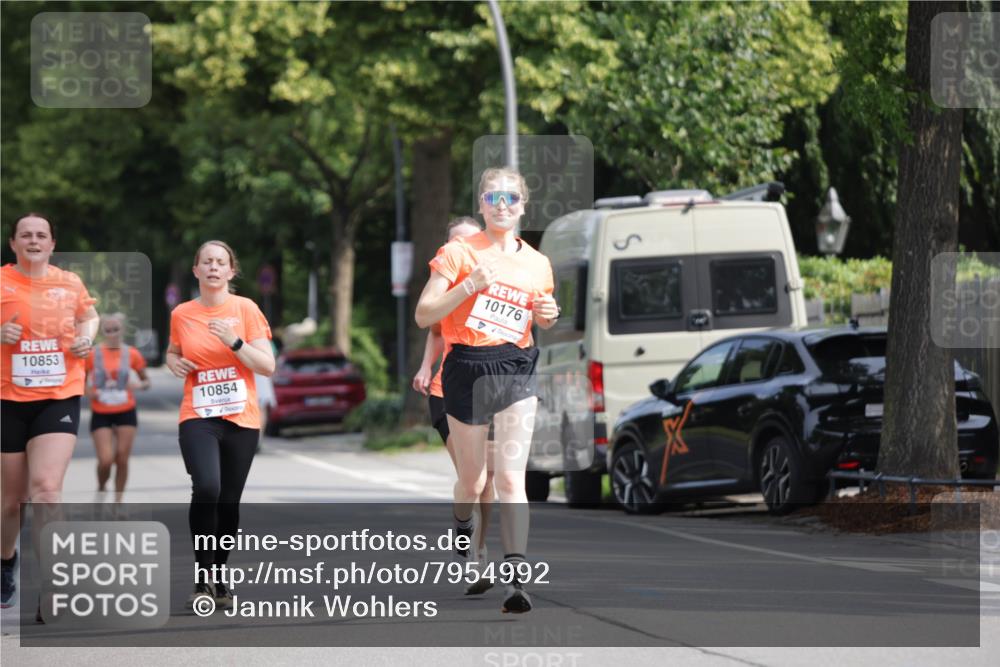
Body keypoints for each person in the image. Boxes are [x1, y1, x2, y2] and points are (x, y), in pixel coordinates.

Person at [415, 168, 559, 613]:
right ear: (481, 204)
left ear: (523, 206)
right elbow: (424, 314)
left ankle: (516, 579)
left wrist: (548, 314)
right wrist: (469, 285)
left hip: (516, 366)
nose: (502, 205)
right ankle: (462, 522)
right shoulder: (458, 253)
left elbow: (541, 316)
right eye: (493, 197)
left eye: (511, 197)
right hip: (466, 367)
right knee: (474, 480)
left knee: (511, 478)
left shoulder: (538, 263)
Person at [165, 240, 274, 610]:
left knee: (228, 501)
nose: (213, 267)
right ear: (196, 270)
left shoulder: (246, 309)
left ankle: (219, 574)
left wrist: (234, 341)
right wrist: (172, 362)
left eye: (220, 262)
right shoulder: (182, 313)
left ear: (231, 271)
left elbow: (267, 365)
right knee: (207, 487)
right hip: (198, 415)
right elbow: (173, 351)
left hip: (241, 418)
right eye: (206, 262)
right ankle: (202, 578)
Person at [1, 213, 99, 610]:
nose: (34, 240)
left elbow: (89, 317)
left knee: (45, 489)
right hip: (7, 398)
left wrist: (86, 339)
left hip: (59, 394)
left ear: (52, 244)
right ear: (13, 243)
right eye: (26, 235)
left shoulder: (69, 282)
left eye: (41, 235)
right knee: (12, 501)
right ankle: (5, 560)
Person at [412, 216, 497, 595]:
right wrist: (424, 367)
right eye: (454, 243)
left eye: (469, 241)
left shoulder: (499, 285)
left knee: (489, 479)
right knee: (472, 475)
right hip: (447, 391)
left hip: (490, 391)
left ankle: (480, 548)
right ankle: (469, 545)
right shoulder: (448, 286)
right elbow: (433, 330)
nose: (462, 249)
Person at [85, 312, 151, 500]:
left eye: (116, 329)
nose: (112, 333)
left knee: (122, 458)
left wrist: (139, 385)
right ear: (102, 332)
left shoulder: (132, 353)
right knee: (106, 459)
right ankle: (101, 486)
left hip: (126, 410)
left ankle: (118, 501)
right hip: (101, 411)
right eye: (108, 330)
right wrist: (88, 391)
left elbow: (146, 381)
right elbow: (79, 380)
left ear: (123, 330)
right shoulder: (92, 354)